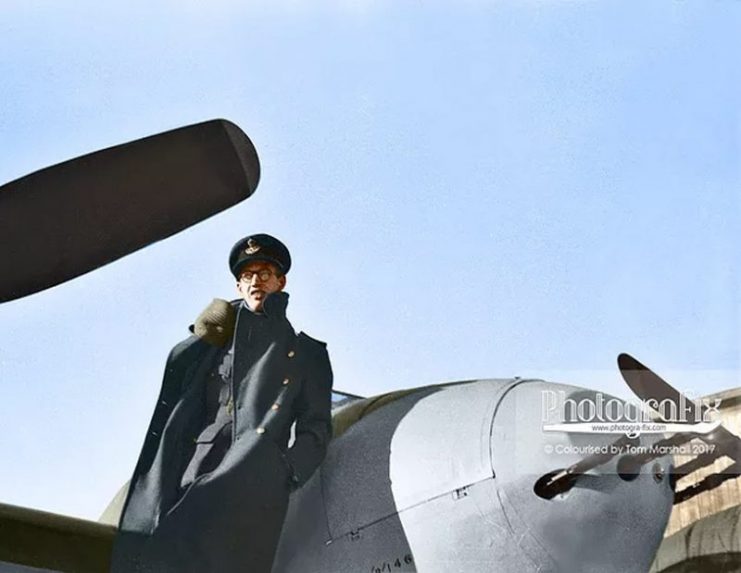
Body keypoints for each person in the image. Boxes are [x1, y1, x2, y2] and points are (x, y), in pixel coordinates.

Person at [112, 233, 333, 573]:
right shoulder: (214, 344)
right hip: (196, 471)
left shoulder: (306, 355)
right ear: (238, 285)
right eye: (247, 275)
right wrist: (207, 329)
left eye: (264, 272)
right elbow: (184, 395)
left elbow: (315, 428)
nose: (256, 281)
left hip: (254, 479)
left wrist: (284, 472)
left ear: (280, 281)